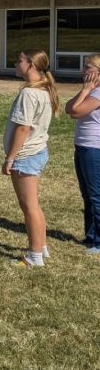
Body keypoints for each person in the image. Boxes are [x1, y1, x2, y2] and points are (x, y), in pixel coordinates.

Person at [3, 50, 60, 268]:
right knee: (33, 205)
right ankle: (41, 247)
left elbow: (23, 128)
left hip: (26, 155)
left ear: (30, 66)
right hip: (36, 152)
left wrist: (10, 159)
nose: (16, 64)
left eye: (19, 61)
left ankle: (34, 256)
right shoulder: (42, 89)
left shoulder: (29, 93)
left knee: (29, 207)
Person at [65, 53, 100, 253]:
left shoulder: (98, 93)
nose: (83, 71)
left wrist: (87, 90)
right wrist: (84, 89)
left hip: (94, 149)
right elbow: (69, 108)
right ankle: (91, 236)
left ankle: (99, 240)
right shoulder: (90, 91)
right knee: (87, 195)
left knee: (96, 195)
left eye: (87, 68)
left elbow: (77, 113)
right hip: (82, 147)